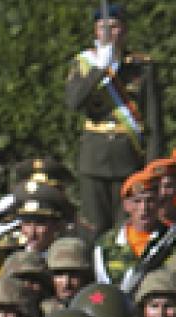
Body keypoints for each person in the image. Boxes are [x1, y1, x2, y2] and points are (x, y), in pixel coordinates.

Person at [65, 2, 161, 234]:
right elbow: (73, 102)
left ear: (125, 31)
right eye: (102, 27)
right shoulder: (84, 64)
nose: (109, 32)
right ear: (95, 32)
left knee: (127, 227)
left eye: (115, 26)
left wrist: (153, 167)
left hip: (128, 157)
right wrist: (100, 69)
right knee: (94, 228)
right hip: (94, 159)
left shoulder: (141, 67)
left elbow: (154, 123)